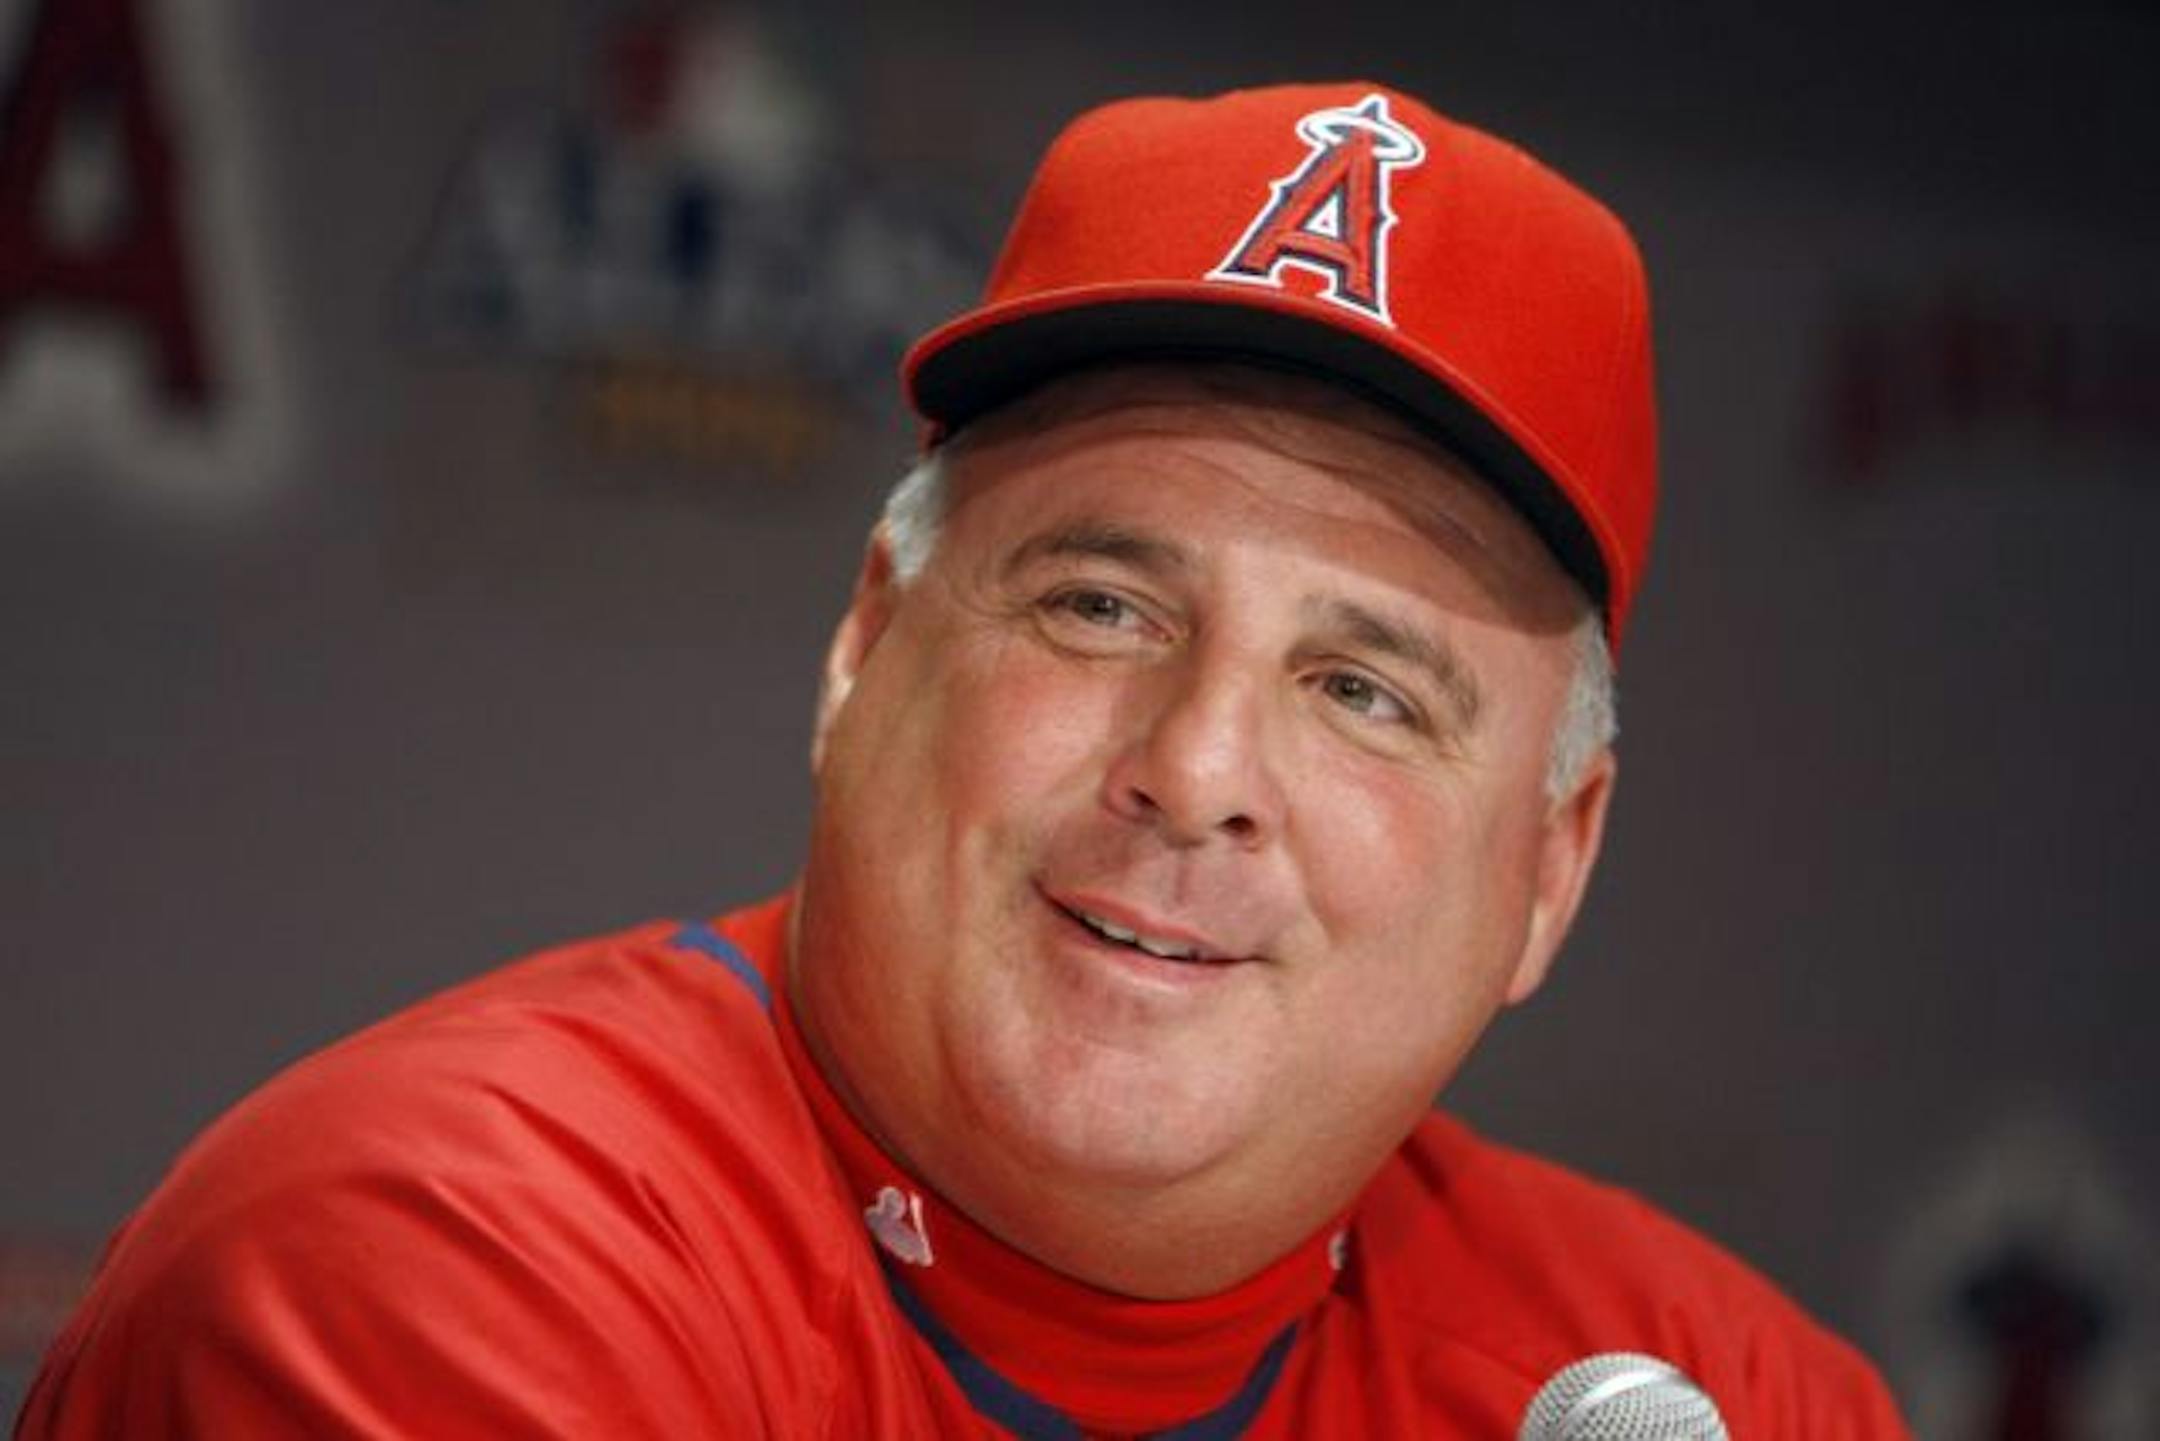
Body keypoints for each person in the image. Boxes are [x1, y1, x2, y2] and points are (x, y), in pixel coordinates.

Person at [17, 82, 1908, 1438]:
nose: (1196, 765)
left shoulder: (1713, 1393)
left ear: (1551, 871)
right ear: (867, 645)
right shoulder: (432, 1262)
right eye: (1100, 606)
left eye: (1366, 689)